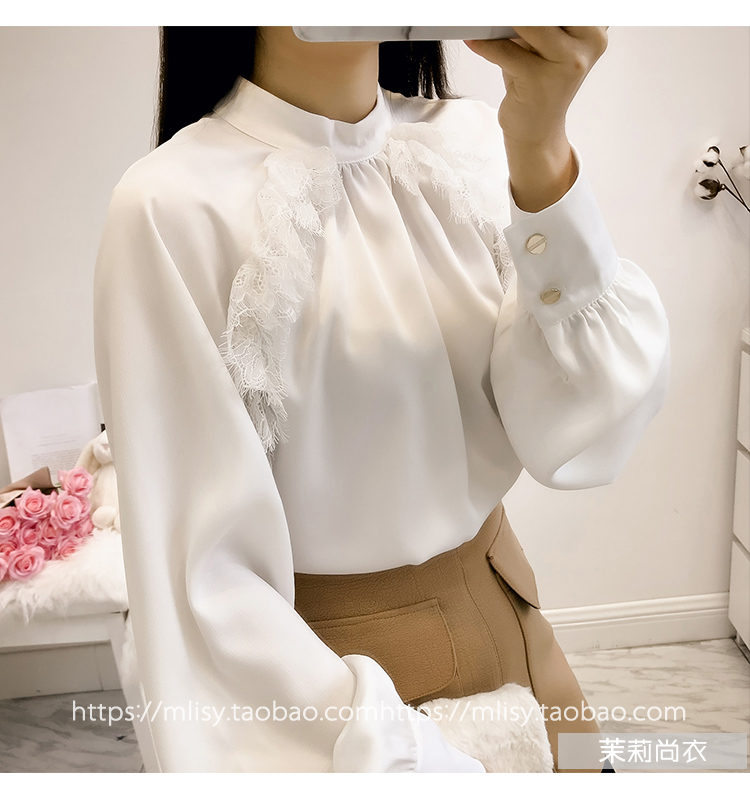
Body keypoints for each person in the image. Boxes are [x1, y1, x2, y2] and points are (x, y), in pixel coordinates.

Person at [93, 26, 669, 772]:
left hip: (531, 650)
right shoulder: (168, 205)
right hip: (351, 716)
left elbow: (583, 423)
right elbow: (206, 594)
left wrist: (542, 147)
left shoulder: (468, 142)